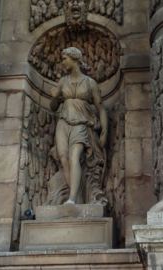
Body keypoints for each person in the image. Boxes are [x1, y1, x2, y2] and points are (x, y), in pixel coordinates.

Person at [51, 47, 108, 204]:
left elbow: (101, 107)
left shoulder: (90, 83)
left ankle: (72, 198)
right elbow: (53, 106)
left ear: (74, 59)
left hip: (82, 122)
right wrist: (55, 97)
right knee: (63, 158)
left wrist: (105, 130)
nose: (62, 62)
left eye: (64, 58)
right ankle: (77, 196)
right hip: (63, 122)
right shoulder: (62, 81)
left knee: (74, 156)